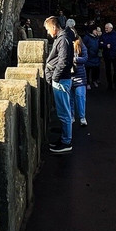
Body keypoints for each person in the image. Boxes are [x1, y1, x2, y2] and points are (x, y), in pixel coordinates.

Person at [43, 15, 74, 153]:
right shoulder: (62, 38)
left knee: (64, 112)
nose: (48, 32)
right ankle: (64, 138)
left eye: (48, 29)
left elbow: (63, 61)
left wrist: (54, 78)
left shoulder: (63, 39)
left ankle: (66, 142)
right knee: (62, 111)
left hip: (61, 80)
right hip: (60, 79)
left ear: (54, 27)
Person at [100, 22, 116, 90]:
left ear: (111, 28)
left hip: (115, 55)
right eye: (105, 28)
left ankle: (115, 81)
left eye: (107, 28)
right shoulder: (103, 35)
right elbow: (100, 44)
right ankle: (109, 83)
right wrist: (105, 45)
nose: (105, 29)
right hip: (107, 55)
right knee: (108, 70)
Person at [71, 33, 88, 126]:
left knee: (80, 96)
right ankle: (71, 116)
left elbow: (85, 58)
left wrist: (75, 59)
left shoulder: (81, 44)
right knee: (70, 98)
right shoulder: (65, 43)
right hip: (69, 75)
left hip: (79, 75)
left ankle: (82, 117)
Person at [83, 24, 102, 88]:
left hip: (95, 56)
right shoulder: (86, 38)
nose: (96, 31)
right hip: (89, 57)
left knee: (95, 70)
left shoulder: (97, 38)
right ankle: (87, 83)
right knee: (87, 71)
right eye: (95, 30)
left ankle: (94, 80)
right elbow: (83, 46)